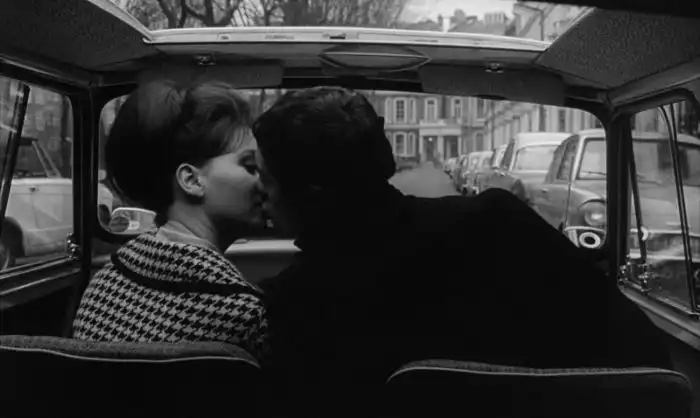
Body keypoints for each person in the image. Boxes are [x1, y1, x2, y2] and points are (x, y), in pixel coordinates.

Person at [252, 86, 672, 414]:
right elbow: (648, 364)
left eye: (266, 179)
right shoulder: (499, 223)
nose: (259, 191)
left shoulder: (296, 303)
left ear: (311, 197)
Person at [72, 79, 269, 361]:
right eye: (250, 166)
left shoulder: (102, 286)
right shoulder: (245, 313)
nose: (264, 183)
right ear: (191, 180)